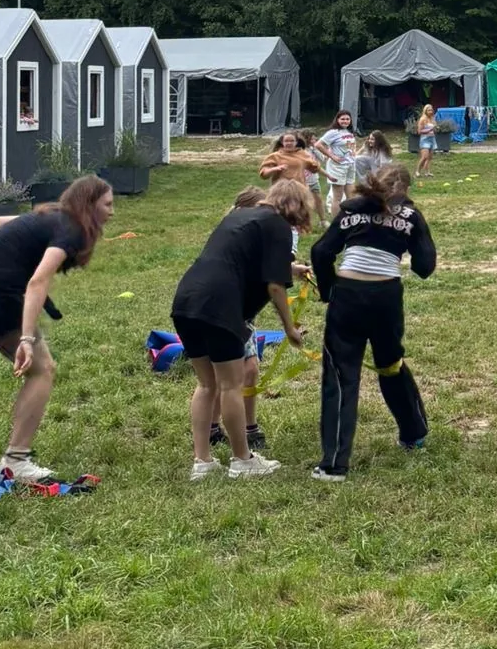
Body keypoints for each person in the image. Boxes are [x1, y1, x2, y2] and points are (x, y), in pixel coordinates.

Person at [0, 176, 115, 481]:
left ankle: (16, 459)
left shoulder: (48, 217)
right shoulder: (71, 231)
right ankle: (16, 460)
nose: (112, 211)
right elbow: (38, 281)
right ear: (88, 204)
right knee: (42, 369)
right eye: (107, 204)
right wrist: (27, 338)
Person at [172, 177, 315, 481]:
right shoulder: (278, 225)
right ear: (295, 205)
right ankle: (242, 460)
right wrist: (289, 328)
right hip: (221, 307)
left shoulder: (239, 216)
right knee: (229, 386)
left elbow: (240, 261)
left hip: (187, 299)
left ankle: (203, 462)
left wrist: (292, 269)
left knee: (206, 385)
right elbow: (275, 287)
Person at [309, 161, 436, 479]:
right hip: (386, 299)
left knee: (340, 377)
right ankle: (413, 434)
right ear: (405, 190)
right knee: (391, 366)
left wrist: (327, 290)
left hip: (348, 296)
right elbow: (424, 266)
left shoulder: (351, 209)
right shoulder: (410, 216)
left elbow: (321, 251)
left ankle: (334, 465)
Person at [260, 130, 327, 222]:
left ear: (296, 142)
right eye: (286, 141)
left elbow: (315, 167)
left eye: (291, 141)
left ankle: (298, 231)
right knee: (281, 212)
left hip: (299, 189)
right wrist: (274, 169)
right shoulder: (275, 156)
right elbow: (264, 174)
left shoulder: (303, 154)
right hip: (280, 190)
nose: (289, 143)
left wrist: (329, 176)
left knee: (298, 213)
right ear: (282, 142)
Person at [314, 110, 360, 214]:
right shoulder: (333, 132)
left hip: (350, 165)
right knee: (338, 197)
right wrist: (332, 156)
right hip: (338, 167)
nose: (345, 121)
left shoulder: (349, 132)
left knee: (351, 196)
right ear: (337, 120)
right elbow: (318, 144)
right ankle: (337, 222)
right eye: (342, 119)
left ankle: (351, 218)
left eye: (347, 119)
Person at [414, 104, 438, 178]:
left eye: (431, 110)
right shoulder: (422, 119)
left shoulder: (432, 118)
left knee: (429, 157)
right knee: (424, 157)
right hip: (425, 139)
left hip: (432, 138)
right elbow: (419, 131)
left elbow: (434, 127)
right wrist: (430, 129)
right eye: (429, 110)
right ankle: (417, 171)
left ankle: (427, 172)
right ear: (425, 111)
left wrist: (436, 128)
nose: (430, 111)